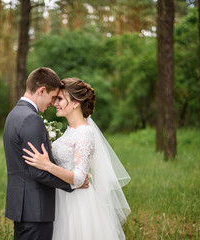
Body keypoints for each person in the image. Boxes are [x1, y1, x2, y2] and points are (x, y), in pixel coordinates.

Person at [23, 78, 131, 240]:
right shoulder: (70, 130)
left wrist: (47, 165)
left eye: (60, 99)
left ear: (75, 103)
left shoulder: (84, 133)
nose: (55, 103)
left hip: (77, 203)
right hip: (61, 197)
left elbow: (80, 178)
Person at [3, 68, 88, 240]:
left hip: (22, 206)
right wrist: (73, 184)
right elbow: (38, 171)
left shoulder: (14, 115)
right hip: (36, 209)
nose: (52, 103)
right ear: (41, 90)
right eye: (52, 97)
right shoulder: (31, 119)